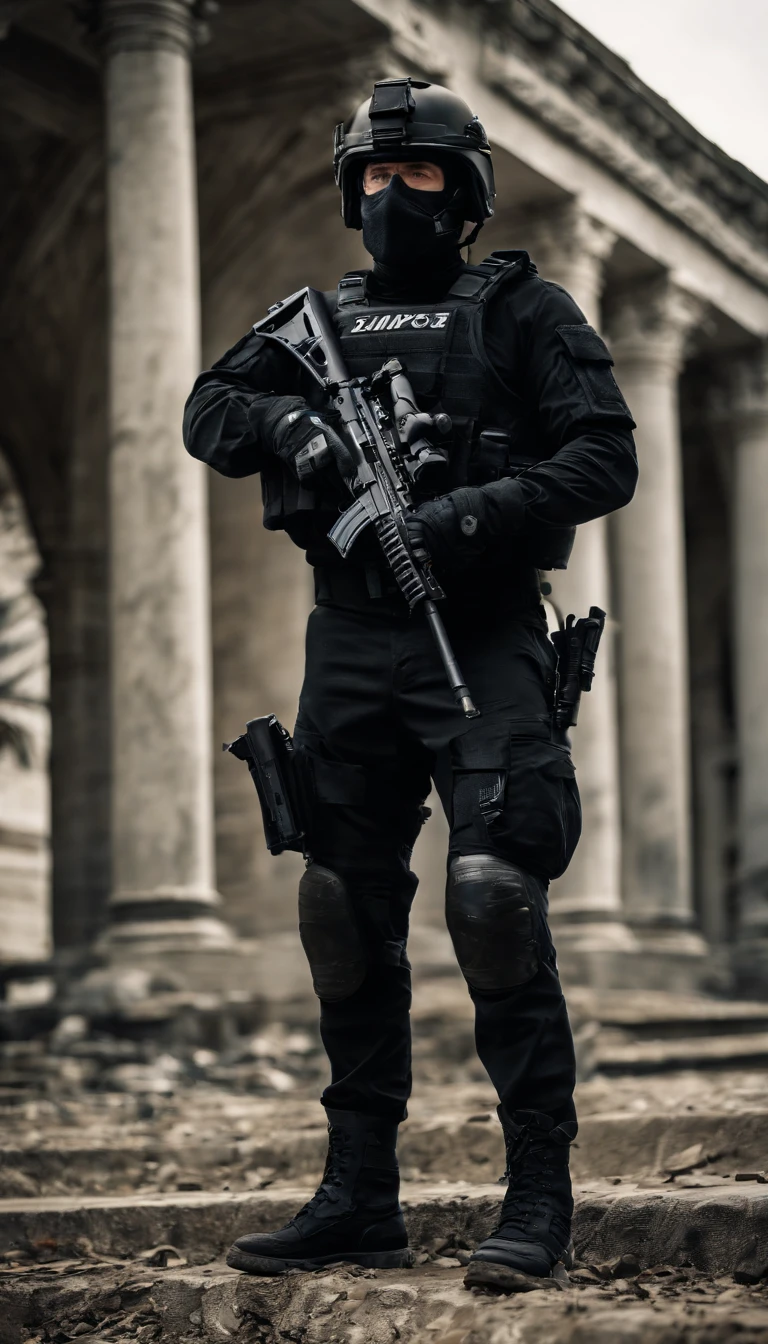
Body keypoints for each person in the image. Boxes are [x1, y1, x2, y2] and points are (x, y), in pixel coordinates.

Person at [183, 77, 637, 1290]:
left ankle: (538, 1194)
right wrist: (294, 434)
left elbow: (606, 454)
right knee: (339, 899)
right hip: (351, 635)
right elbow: (207, 408)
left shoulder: (526, 310)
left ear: (467, 192)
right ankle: (356, 1197)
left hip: (481, 631)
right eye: (373, 179)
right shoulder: (313, 325)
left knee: (491, 890)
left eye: (419, 176)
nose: (392, 197)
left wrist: (471, 515)